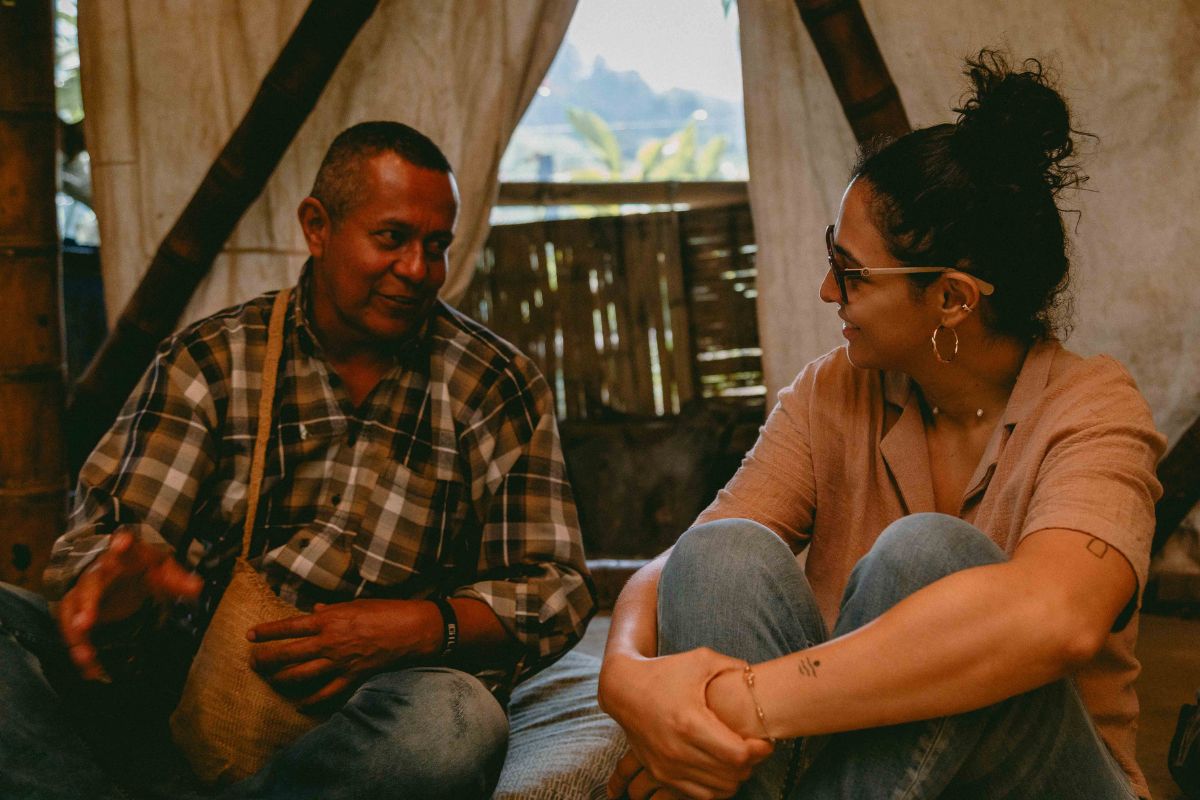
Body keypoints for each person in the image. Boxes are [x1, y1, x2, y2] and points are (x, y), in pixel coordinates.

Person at [598, 51, 1164, 800]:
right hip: (881, 776)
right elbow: (675, 567)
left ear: (953, 299)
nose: (828, 287)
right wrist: (628, 679)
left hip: (1043, 780)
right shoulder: (836, 391)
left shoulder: (1094, 408)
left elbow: (1058, 619)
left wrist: (742, 702)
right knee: (722, 553)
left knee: (927, 557)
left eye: (854, 272)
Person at [0, 121, 595, 800]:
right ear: (318, 227)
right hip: (181, 702)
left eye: (437, 247)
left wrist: (426, 626)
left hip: (362, 724)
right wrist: (116, 585)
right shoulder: (212, 361)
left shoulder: (494, 385)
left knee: (454, 724)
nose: (417, 270)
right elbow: (109, 553)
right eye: (392, 238)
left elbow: (558, 587)